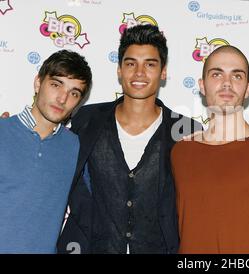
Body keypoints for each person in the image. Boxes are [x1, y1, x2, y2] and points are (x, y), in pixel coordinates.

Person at [57, 24, 201, 254]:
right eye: (131, 63)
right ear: (119, 70)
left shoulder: (187, 131)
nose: (139, 73)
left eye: (150, 64)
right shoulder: (86, 119)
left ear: (163, 72)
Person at [170, 45, 249, 254]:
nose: (227, 83)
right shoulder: (181, 152)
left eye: (237, 76)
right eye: (217, 74)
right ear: (202, 86)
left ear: (248, 89)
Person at [0, 50, 92, 253]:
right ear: (37, 83)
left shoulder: (76, 148)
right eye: (56, 84)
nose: (62, 98)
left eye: (74, 93)